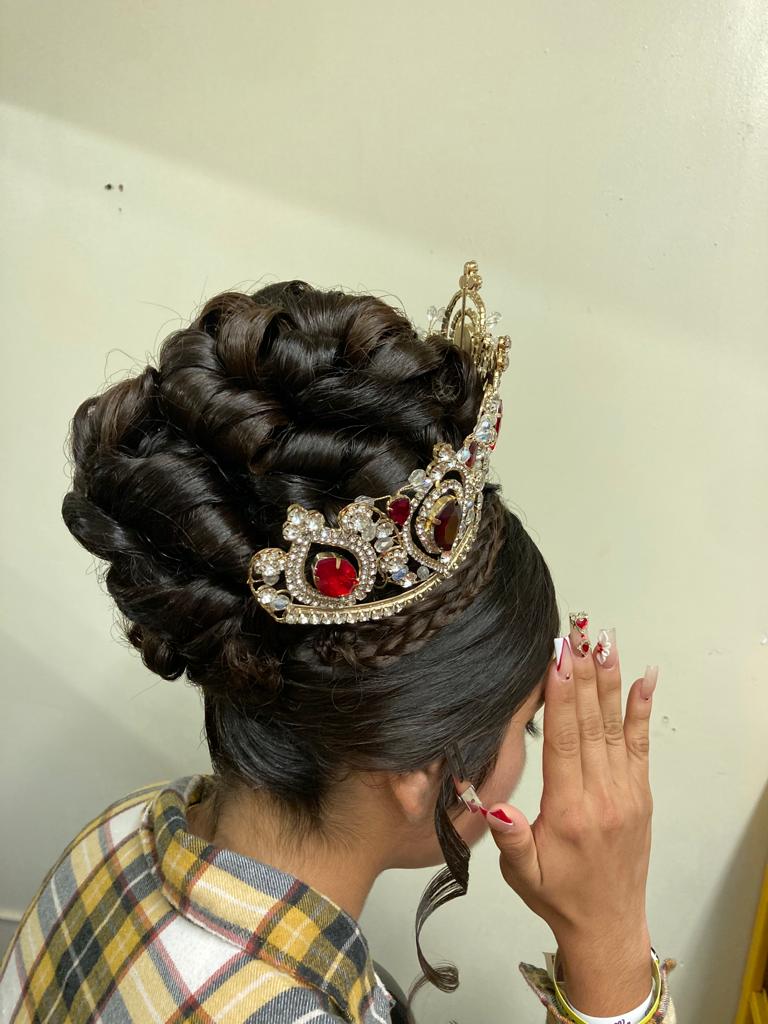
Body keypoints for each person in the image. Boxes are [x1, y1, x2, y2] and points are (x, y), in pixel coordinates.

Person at [0, 262, 677, 1023]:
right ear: (425, 771)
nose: (531, 754)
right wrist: (609, 938)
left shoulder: (120, 836)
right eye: (527, 724)